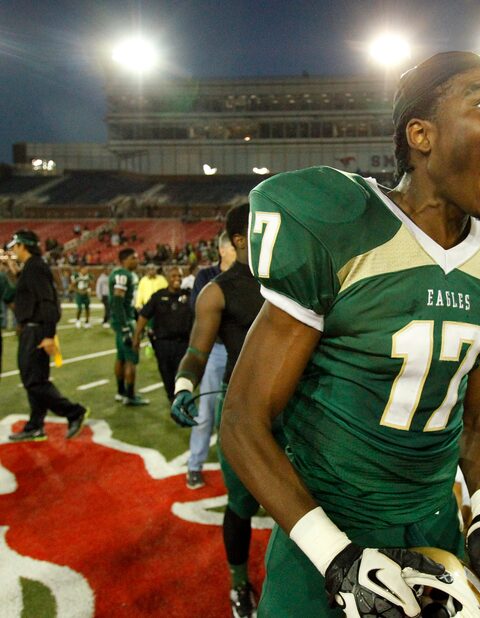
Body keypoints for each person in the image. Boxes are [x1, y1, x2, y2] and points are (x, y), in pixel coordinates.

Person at [221, 51, 480, 617]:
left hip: (436, 527)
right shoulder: (340, 224)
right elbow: (243, 419)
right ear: (421, 134)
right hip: (329, 522)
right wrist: (334, 557)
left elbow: (475, 418)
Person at [169, 205, 264, 617]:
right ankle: (239, 583)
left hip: (297, 404)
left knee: (309, 500)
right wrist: (183, 386)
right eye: (260, 228)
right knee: (241, 505)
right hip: (242, 409)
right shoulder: (218, 290)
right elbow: (196, 352)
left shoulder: (293, 281)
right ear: (240, 240)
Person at [5, 230, 88, 441]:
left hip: (36, 330)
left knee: (33, 381)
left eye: (15, 246)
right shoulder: (33, 267)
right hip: (33, 329)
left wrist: (49, 334)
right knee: (36, 379)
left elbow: (47, 301)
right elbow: (27, 288)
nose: (13, 250)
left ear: (23, 245)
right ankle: (36, 425)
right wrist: (11, 269)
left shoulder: (35, 267)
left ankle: (74, 411)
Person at [182, 231, 235, 490]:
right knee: (206, 410)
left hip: (241, 350)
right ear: (223, 250)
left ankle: (245, 473)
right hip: (215, 350)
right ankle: (194, 464)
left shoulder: (248, 276)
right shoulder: (206, 277)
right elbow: (199, 310)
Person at [132, 267, 193, 402]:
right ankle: (171, 397)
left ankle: (181, 398)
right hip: (162, 343)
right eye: (173, 276)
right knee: (166, 372)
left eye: (179, 276)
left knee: (182, 373)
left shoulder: (189, 295)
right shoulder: (158, 296)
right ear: (167, 278)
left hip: (183, 342)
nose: (177, 279)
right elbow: (144, 316)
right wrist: (136, 336)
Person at [109, 248, 149, 406]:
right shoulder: (123, 275)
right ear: (124, 260)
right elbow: (118, 302)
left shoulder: (118, 273)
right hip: (125, 322)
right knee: (131, 360)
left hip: (120, 322)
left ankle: (120, 391)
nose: (137, 260)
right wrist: (126, 327)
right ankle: (130, 395)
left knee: (120, 357)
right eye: (134, 258)